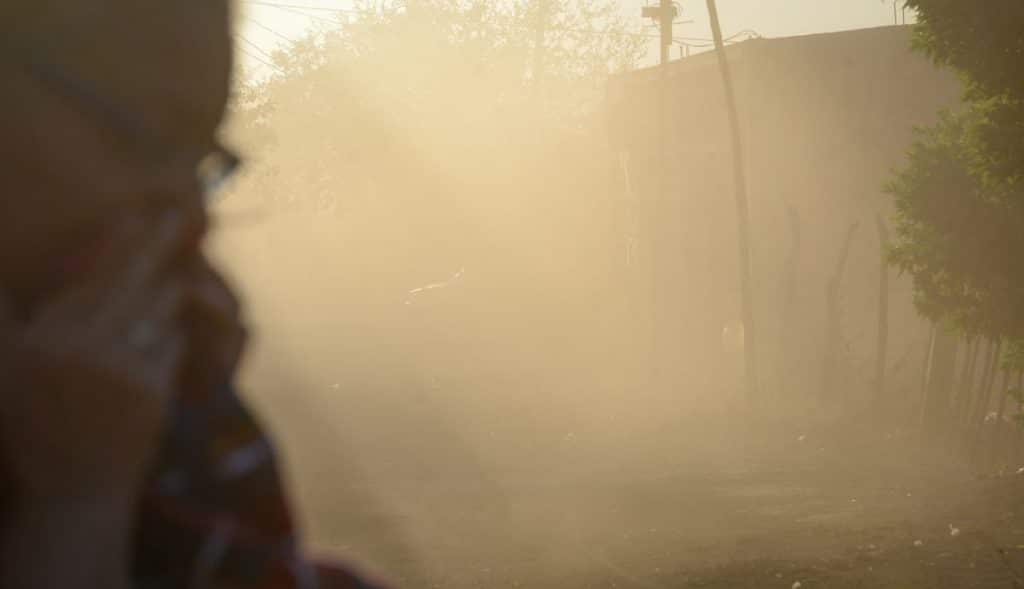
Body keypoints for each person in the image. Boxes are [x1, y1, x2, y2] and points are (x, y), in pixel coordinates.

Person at [0, 1, 388, 587]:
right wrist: (78, 501)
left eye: (203, 160)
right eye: (147, 139)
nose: (190, 215)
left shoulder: (118, 391)